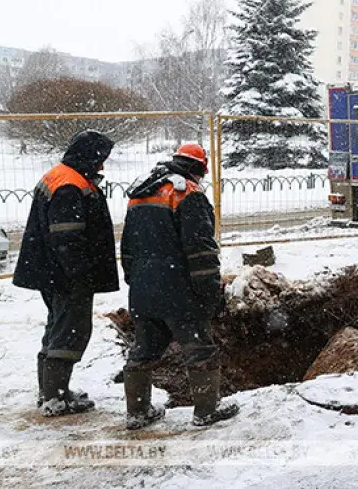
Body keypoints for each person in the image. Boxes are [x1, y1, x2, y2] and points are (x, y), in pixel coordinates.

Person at [120, 143, 239, 430]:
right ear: (200, 169)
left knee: (144, 349)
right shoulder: (189, 194)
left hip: (142, 289)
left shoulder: (141, 193)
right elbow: (201, 252)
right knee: (199, 349)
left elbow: (127, 248)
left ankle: (137, 412)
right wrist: (211, 292)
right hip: (178, 291)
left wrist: (135, 279)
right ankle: (206, 411)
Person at [13, 129, 118, 417]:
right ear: (89, 155)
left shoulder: (61, 175)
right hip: (66, 275)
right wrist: (81, 275)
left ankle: (50, 391)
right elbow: (67, 238)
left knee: (57, 327)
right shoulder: (70, 185)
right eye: (100, 159)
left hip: (52, 272)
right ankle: (55, 397)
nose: (102, 166)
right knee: (70, 331)